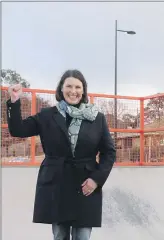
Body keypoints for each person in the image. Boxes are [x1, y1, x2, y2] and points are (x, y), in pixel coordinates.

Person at [6, 69, 116, 240]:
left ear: (83, 90)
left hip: (85, 185)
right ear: (61, 89)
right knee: (60, 235)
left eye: (78, 87)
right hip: (57, 184)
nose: (73, 91)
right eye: (69, 86)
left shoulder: (97, 118)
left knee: (83, 236)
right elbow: (18, 130)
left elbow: (109, 152)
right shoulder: (47, 115)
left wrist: (96, 179)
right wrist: (14, 101)